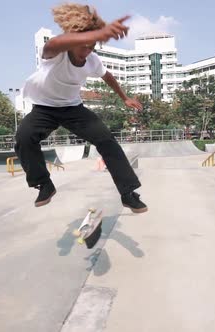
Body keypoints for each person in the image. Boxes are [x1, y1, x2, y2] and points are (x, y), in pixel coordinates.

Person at [14, 3, 148, 213]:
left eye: (92, 45)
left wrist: (124, 98)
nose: (87, 51)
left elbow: (107, 76)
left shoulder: (92, 60)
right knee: (24, 137)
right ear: (73, 40)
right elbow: (57, 42)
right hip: (44, 109)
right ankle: (44, 184)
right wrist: (96, 32)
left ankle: (128, 193)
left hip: (73, 109)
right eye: (83, 45)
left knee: (106, 140)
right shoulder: (56, 52)